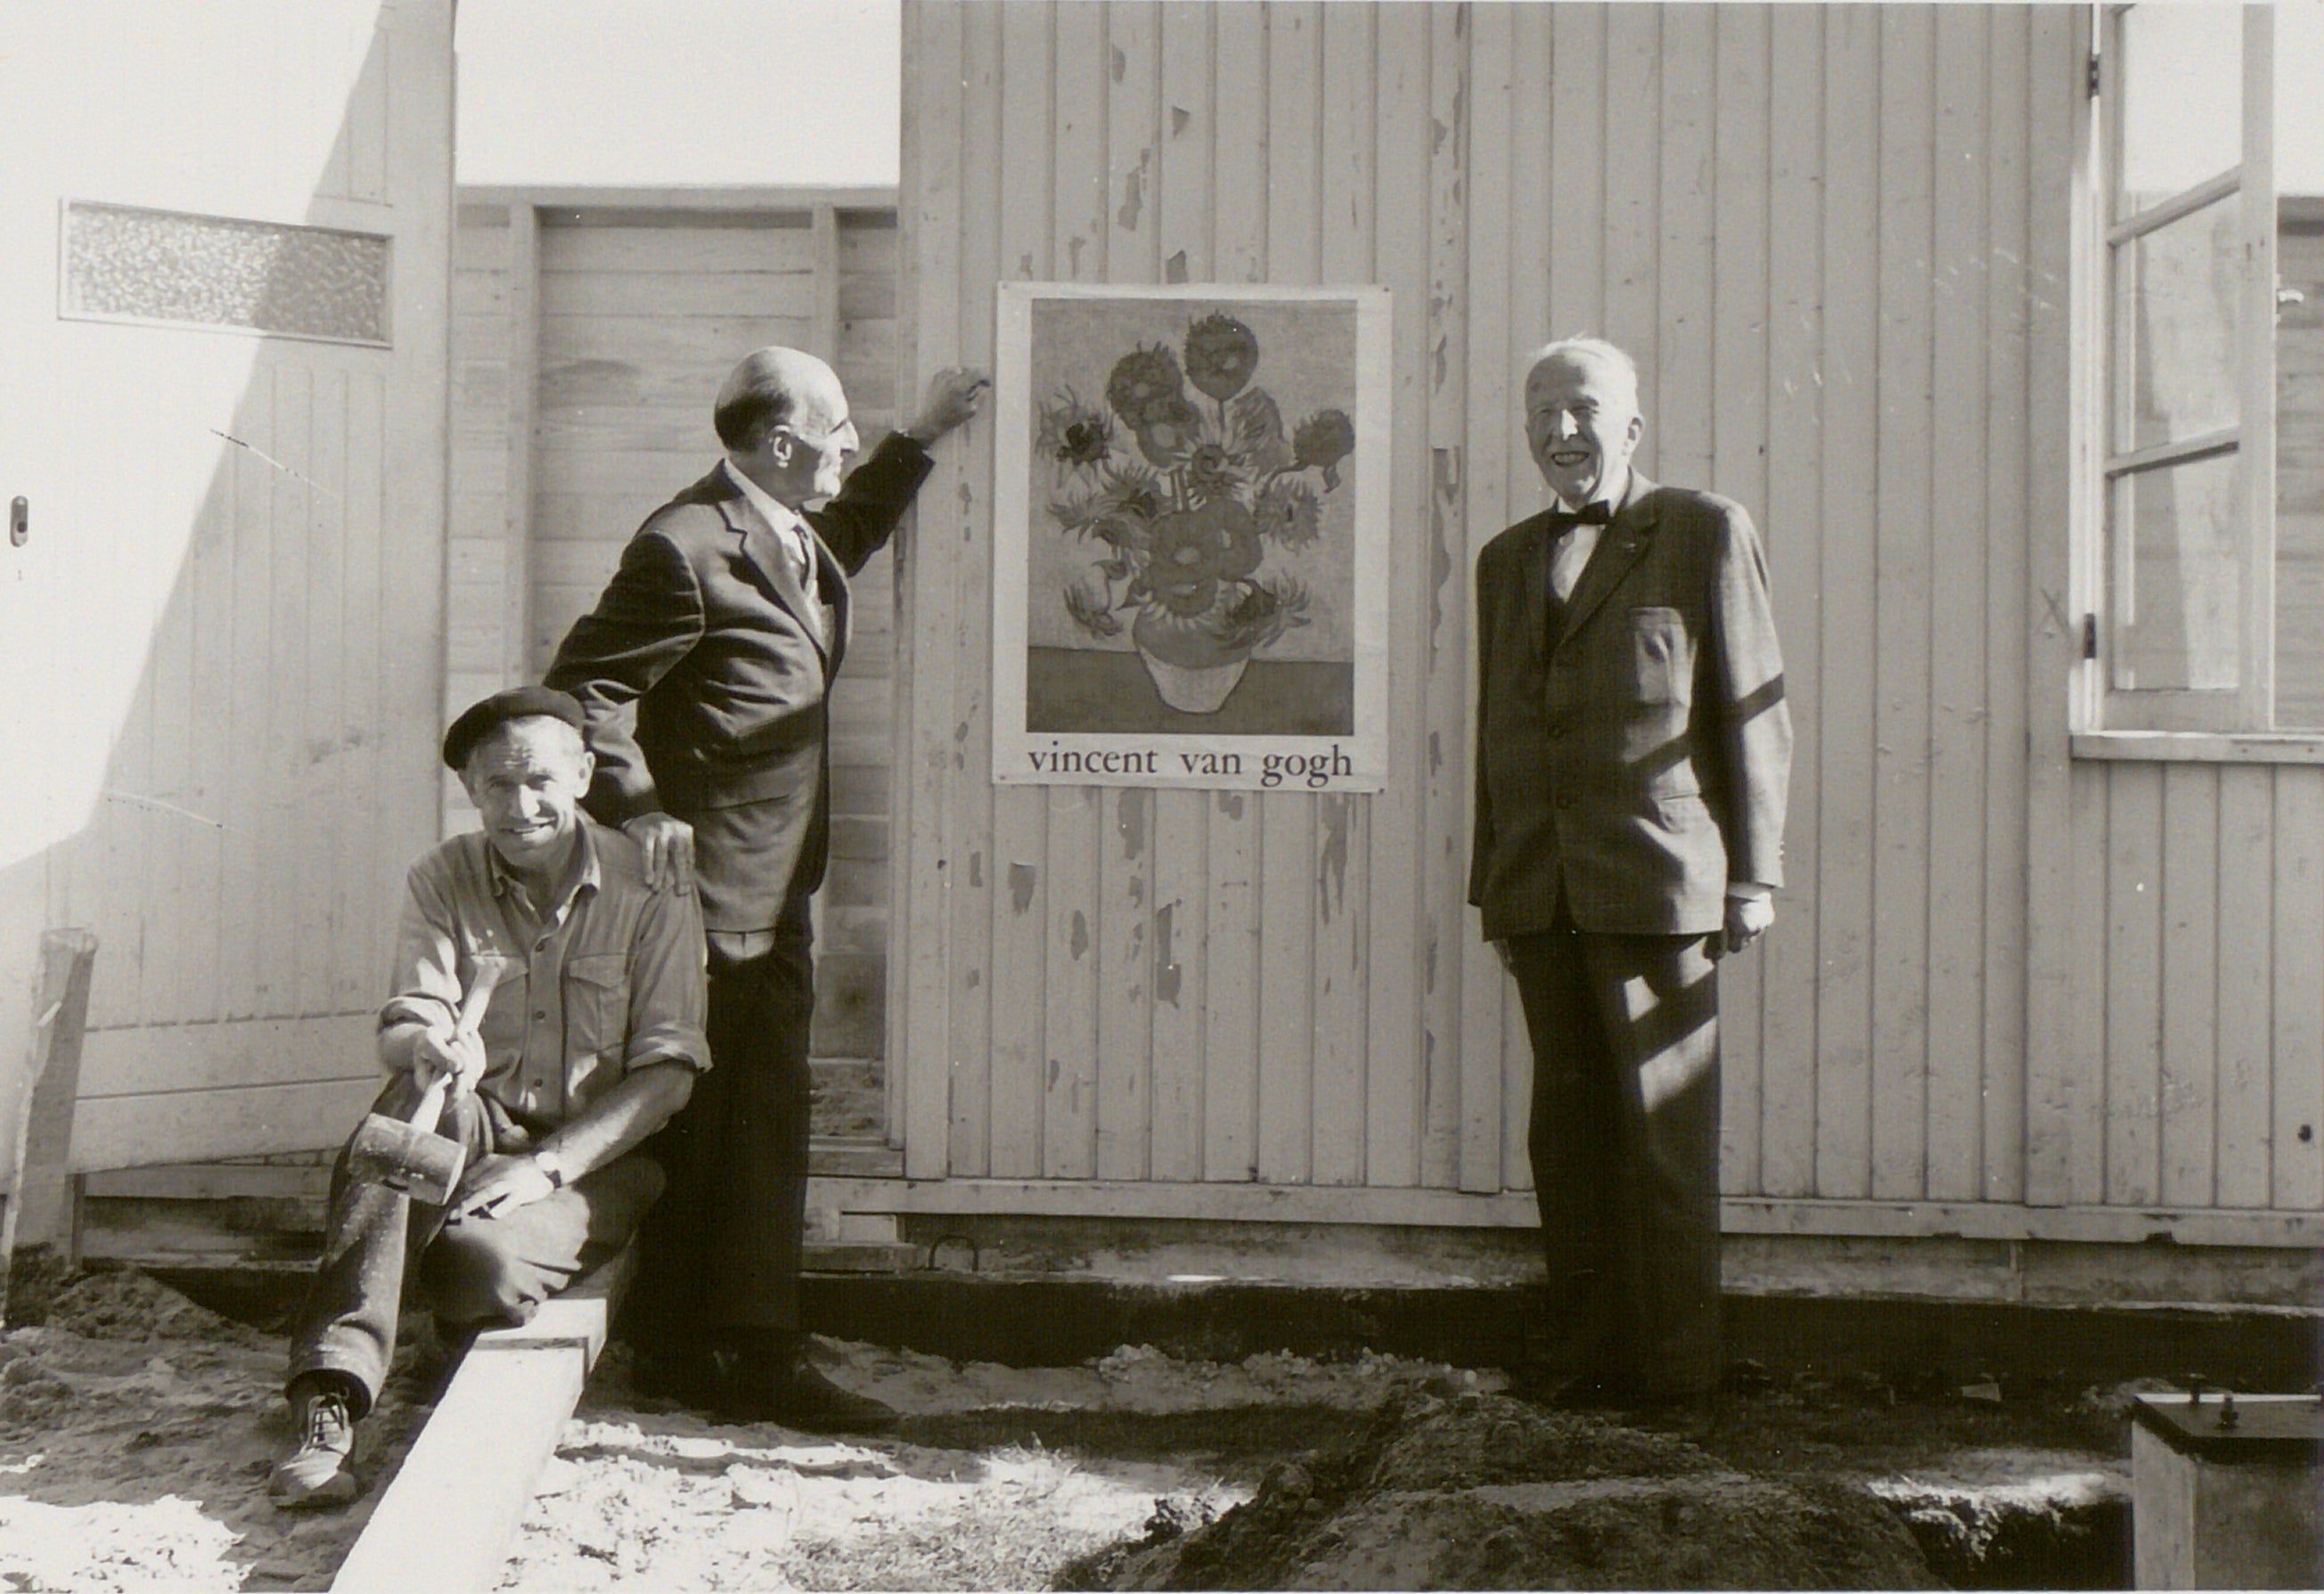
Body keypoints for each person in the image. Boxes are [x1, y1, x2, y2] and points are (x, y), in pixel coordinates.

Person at [544, 349, 987, 1432]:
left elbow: (833, 551)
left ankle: (698, 1347)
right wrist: (643, 806)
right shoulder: (682, 544)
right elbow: (580, 689)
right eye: (836, 431)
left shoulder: (778, 530)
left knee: (746, 1116)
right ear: (782, 444)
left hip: (776, 882)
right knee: (736, 1120)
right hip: (711, 890)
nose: (845, 446)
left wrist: (913, 440)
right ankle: (742, 1352)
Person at [271, 686, 708, 1508]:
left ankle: (436, 1268)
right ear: (472, 791)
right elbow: (410, 1015)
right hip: (473, 1123)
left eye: (540, 779)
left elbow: (668, 1075)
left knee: (479, 1266)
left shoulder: (651, 888)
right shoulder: (443, 876)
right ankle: (328, 1396)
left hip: (593, 1158)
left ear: (583, 774)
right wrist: (428, 1044)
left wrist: (545, 1169)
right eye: (497, 786)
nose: (521, 805)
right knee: (404, 1102)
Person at [1469, 337, 1791, 1407]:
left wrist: (1756, 875)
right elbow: (1499, 728)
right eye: (1541, 412)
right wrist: (1496, 880)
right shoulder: (1504, 559)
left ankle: (1677, 1383)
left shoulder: (1701, 529)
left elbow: (1756, 707)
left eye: (1584, 408)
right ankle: (1585, 1366)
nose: (1562, 431)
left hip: (1657, 888)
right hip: (1538, 889)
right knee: (1565, 1139)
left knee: (1662, 1145)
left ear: (1632, 426)